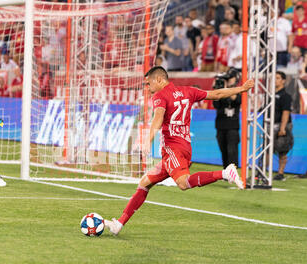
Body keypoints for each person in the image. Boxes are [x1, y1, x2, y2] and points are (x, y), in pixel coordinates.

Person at [104, 66, 255, 235]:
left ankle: (225, 173)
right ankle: (119, 224)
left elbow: (158, 118)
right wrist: (241, 89)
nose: (148, 88)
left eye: (149, 83)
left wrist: (147, 140)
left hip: (172, 149)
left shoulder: (160, 96)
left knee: (183, 183)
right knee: (145, 182)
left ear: (159, 79)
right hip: (184, 147)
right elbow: (217, 94)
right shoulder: (188, 91)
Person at [213, 68, 242, 168]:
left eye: (230, 78)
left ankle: (233, 171)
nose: (228, 79)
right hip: (220, 124)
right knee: (223, 150)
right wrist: (217, 88)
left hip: (232, 126)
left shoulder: (238, 91)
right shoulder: (220, 90)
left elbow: (236, 99)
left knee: (232, 150)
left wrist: (226, 88)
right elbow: (215, 104)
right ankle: (226, 172)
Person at [272, 71, 294, 181]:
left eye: (278, 78)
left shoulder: (286, 96)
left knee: (282, 149)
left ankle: (281, 172)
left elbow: (286, 112)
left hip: (281, 124)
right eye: (274, 78)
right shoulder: (269, 94)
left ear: (283, 81)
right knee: (267, 149)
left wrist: (282, 128)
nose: (275, 80)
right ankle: (261, 170)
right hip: (271, 124)